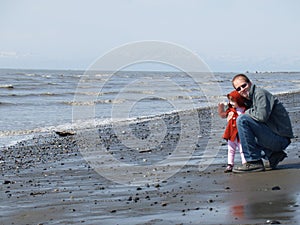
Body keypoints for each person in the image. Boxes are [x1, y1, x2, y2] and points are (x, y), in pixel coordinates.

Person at [231, 74, 294, 172]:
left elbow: (262, 117)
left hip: (281, 138)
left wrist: (246, 112)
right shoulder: (251, 99)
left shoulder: (260, 94)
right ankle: (273, 155)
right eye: (238, 89)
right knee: (245, 131)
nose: (242, 89)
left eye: (244, 86)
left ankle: (253, 162)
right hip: (276, 136)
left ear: (250, 83)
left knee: (242, 120)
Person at [218, 90, 247, 172]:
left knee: (242, 149)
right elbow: (222, 114)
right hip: (231, 134)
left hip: (240, 134)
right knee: (231, 149)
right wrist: (220, 106)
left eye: (233, 101)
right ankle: (230, 164)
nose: (231, 103)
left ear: (239, 100)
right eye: (230, 101)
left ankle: (245, 163)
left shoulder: (244, 109)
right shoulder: (230, 110)